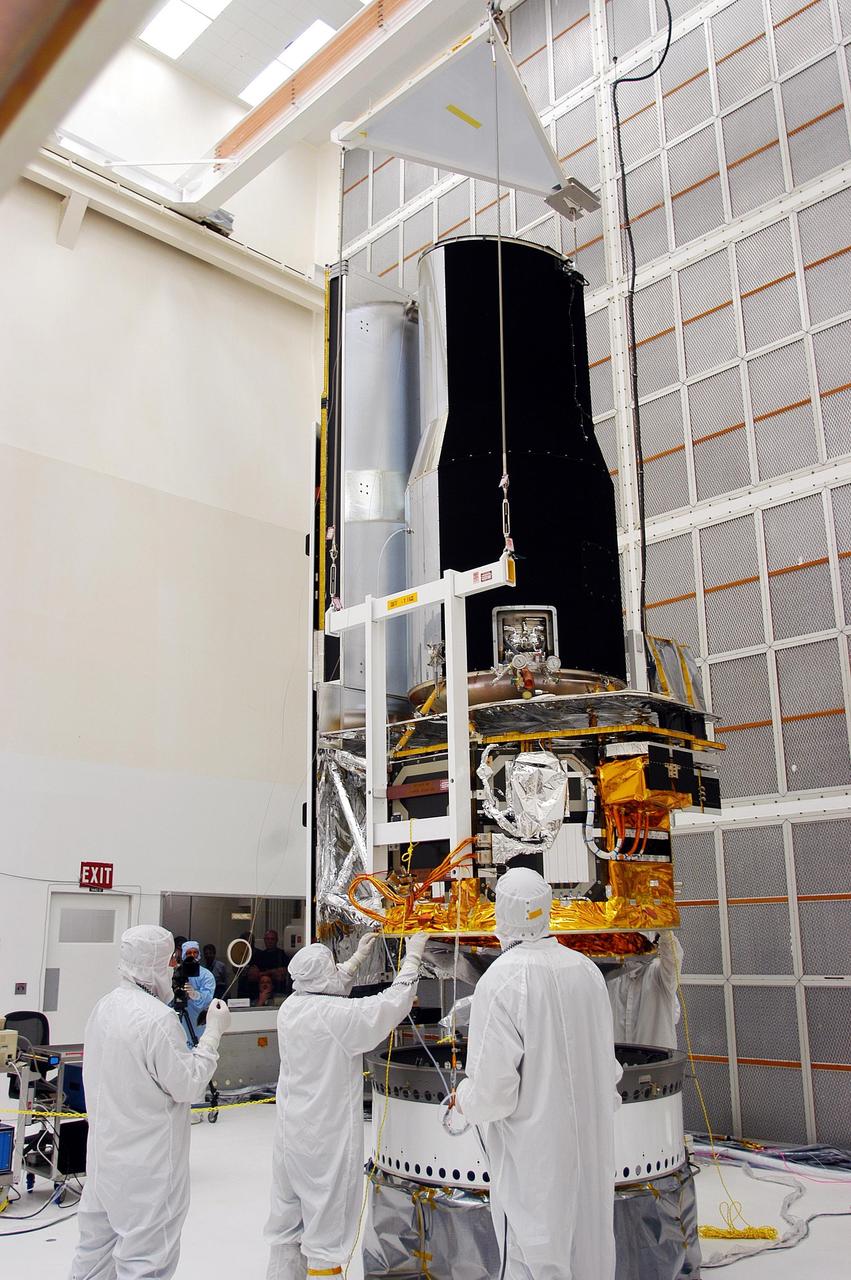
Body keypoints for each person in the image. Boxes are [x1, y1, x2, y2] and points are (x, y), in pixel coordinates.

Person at [453, 868, 621, 1280]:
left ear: (500, 915)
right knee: (589, 1256)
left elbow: (493, 1096)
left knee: (533, 1257)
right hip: (592, 1153)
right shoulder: (587, 971)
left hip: (534, 1163)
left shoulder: (501, 981)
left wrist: (463, 1099)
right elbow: (607, 1067)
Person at [264, 930, 430, 1280]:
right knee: (326, 1233)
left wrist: (355, 961)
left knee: (287, 1228)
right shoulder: (335, 1016)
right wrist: (413, 958)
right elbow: (389, 1005)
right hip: (325, 1139)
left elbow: (323, 987)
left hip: (290, 1136)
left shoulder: (291, 1007)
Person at [70, 924, 231, 1280]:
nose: (175, 965)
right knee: (145, 1265)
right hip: (147, 1172)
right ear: (156, 962)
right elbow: (188, 1085)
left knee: (93, 1258)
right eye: (171, 959)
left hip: (103, 1162)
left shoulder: (104, 1007)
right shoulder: (157, 1020)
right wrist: (214, 1032)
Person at [606, 930, 684, 1050]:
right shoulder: (615, 979)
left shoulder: (659, 974)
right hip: (620, 1058)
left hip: (657, 1059)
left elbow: (672, 959)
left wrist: (666, 934)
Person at [172, 939, 215, 1048]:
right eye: (189, 953)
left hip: (197, 1020)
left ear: (199, 954)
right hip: (179, 1018)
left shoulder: (206, 975)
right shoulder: (177, 972)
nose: (192, 955)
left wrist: (195, 994)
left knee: (197, 1048)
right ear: (183, 955)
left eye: (195, 952)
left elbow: (208, 998)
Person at [256, 928, 290, 995]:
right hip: (262, 991)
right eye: (267, 939)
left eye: (272, 939)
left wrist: (265, 973)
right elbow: (255, 975)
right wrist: (272, 971)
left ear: (276, 940)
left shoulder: (283, 954)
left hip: (280, 991)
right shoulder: (259, 955)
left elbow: (283, 972)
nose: (270, 941)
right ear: (264, 940)